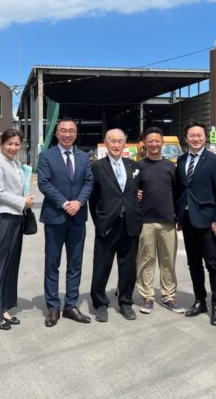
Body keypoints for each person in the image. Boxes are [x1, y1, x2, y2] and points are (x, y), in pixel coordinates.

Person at [37, 117, 94, 327]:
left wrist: (79, 202)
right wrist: (63, 203)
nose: (67, 134)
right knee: (52, 263)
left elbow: (89, 182)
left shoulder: (84, 157)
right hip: (55, 217)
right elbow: (44, 183)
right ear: (57, 133)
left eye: (71, 131)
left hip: (77, 217)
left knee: (75, 264)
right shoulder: (46, 156)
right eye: (63, 130)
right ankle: (53, 307)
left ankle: (70, 305)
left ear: (76, 134)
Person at [176, 121, 216, 326]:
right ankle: (200, 301)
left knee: (212, 264)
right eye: (192, 135)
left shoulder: (214, 161)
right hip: (188, 221)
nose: (195, 139)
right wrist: (179, 217)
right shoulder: (181, 160)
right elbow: (180, 190)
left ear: (205, 138)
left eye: (199, 135)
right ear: (186, 138)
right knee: (193, 263)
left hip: (208, 221)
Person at [89, 128, 144, 322]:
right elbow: (93, 199)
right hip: (107, 224)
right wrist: (99, 221)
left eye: (120, 141)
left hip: (130, 224)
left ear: (125, 144)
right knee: (102, 265)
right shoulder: (97, 167)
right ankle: (100, 303)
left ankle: (125, 302)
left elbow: (138, 192)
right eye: (112, 141)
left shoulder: (133, 166)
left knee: (128, 266)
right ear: (106, 143)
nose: (116, 145)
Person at [0, 128, 34, 330]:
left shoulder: (17, 164)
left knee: (10, 266)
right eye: (9, 143)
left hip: (16, 218)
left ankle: (4, 307)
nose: (13, 147)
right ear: (2, 144)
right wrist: (23, 202)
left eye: (16, 144)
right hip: (2, 218)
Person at [135, 126, 184, 314]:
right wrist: (136, 195)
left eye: (157, 141)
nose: (154, 144)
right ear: (144, 143)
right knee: (146, 260)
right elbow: (132, 191)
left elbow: (177, 194)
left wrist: (178, 217)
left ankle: (169, 296)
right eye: (150, 141)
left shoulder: (171, 167)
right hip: (145, 220)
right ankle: (147, 296)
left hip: (167, 220)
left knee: (168, 260)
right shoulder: (138, 167)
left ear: (162, 143)